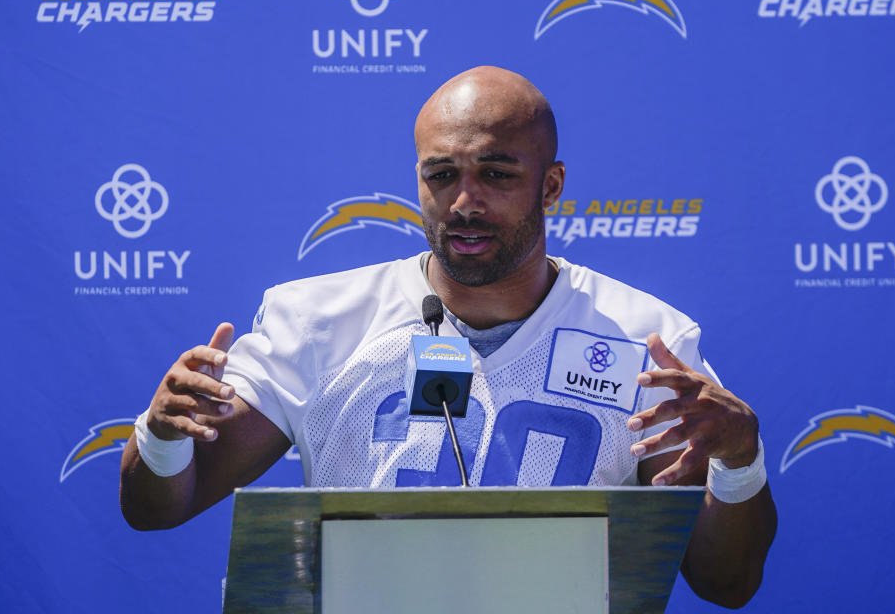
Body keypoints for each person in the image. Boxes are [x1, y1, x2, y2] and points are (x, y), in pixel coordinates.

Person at [120, 66, 776, 608]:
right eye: (441, 174)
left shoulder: (643, 338)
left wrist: (739, 465)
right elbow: (156, 508)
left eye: (495, 174)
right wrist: (163, 434)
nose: (463, 202)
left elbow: (727, 583)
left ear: (551, 185)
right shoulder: (318, 320)